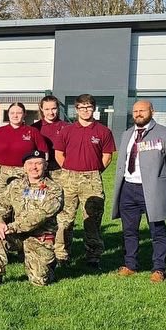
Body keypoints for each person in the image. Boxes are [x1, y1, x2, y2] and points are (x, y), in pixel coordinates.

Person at [111, 100, 166, 282]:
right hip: (128, 189)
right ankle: (130, 265)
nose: (138, 114)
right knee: (129, 230)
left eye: (142, 110)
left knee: (157, 231)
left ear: (152, 111)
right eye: (135, 111)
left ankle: (159, 268)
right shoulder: (127, 134)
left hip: (152, 190)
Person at [53, 94, 116, 271]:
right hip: (69, 177)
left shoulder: (103, 132)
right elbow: (59, 154)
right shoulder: (67, 130)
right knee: (65, 219)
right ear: (76, 110)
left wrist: (93, 171)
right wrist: (70, 169)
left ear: (94, 108)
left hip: (92, 179)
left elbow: (107, 157)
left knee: (92, 219)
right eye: (82, 107)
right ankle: (61, 255)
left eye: (88, 107)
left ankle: (93, 256)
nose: (85, 110)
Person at [0, 150, 63, 287]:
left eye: (38, 163)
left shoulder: (54, 189)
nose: (34, 167)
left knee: (39, 281)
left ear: (45, 165)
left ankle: (50, 266)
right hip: (16, 235)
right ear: (24, 167)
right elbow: (1, 206)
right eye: (30, 163)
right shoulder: (15, 185)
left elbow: (38, 217)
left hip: (39, 237)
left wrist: (10, 227)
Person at [0, 103, 49, 214]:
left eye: (19, 113)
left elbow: (45, 155)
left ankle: (21, 230)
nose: (15, 115)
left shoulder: (32, 132)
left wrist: (32, 167)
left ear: (24, 114)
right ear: (8, 114)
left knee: (23, 205)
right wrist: (3, 162)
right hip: (1, 176)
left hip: (24, 174)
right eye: (12, 113)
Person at [33, 95, 68, 170]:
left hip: (61, 167)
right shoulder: (34, 128)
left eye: (54, 109)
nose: (51, 112)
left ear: (58, 108)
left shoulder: (67, 127)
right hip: (40, 168)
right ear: (41, 109)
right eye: (47, 109)